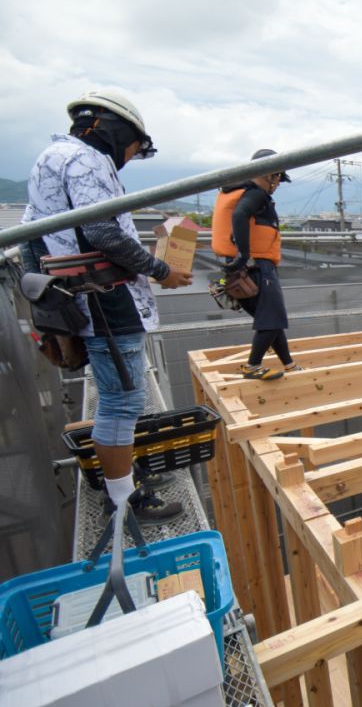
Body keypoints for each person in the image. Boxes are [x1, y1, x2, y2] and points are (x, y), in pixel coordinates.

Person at [20, 90, 191, 524]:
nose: (128, 159)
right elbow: (103, 233)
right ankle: (123, 502)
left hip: (77, 295)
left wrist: (46, 298)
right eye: (132, 150)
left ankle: (122, 478)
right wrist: (159, 269)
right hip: (105, 298)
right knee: (122, 401)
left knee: (117, 396)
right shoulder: (86, 161)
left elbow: (29, 237)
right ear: (116, 131)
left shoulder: (50, 158)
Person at [212, 149, 297, 380]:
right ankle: (252, 366)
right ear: (270, 174)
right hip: (256, 266)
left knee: (270, 320)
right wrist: (244, 253)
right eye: (278, 177)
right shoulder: (255, 194)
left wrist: (239, 257)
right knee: (272, 318)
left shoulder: (236, 190)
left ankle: (289, 364)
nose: (278, 183)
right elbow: (240, 216)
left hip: (242, 268)